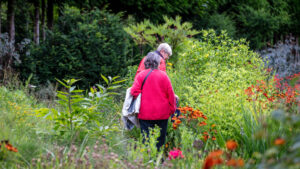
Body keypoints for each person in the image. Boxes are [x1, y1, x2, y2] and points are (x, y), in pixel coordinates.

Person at [131, 52, 176, 150]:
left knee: (145, 140)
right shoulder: (164, 76)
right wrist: (172, 110)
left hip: (145, 113)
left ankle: (147, 161)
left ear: (146, 62)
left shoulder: (141, 75)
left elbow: (134, 91)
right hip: (162, 113)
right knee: (160, 140)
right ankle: (159, 161)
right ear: (158, 62)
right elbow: (171, 95)